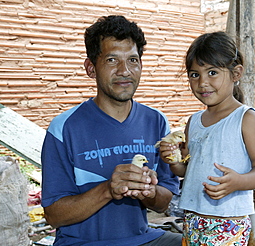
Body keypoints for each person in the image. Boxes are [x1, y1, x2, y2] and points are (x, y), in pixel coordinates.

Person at [41, 15, 182, 246]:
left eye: (133, 60)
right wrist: (108, 189)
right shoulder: (64, 128)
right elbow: (54, 215)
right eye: (112, 60)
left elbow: (163, 203)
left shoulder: (156, 121)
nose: (124, 71)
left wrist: (149, 192)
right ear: (91, 68)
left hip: (142, 238)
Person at [159, 31, 255, 245]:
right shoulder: (194, 121)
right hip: (192, 218)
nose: (202, 83)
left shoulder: (245, 118)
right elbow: (187, 170)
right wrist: (173, 160)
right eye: (194, 74)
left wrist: (239, 181)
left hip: (228, 221)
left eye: (212, 72)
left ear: (236, 73)